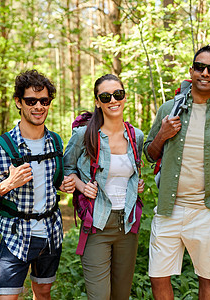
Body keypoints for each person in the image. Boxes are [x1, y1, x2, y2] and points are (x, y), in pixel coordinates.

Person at [144, 45, 210, 299]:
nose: (205, 73)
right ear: (191, 70)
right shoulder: (169, 109)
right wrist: (162, 135)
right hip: (169, 208)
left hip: (208, 209)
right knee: (158, 275)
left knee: (208, 276)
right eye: (200, 67)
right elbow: (149, 153)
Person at [0, 69, 75, 300]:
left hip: (50, 232)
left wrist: (64, 184)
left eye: (44, 101)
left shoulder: (55, 141)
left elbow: (54, 181)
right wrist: (5, 185)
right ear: (19, 102)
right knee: (6, 296)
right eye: (31, 101)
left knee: (43, 292)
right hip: (15, 235)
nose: (38, 106)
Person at [63, 74, 145, 299]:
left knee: (121, 296)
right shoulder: (84, 135)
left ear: (125, 96)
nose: (113, 100)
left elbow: (134, 171)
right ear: (97, 101)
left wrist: (137, 184)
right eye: (105, 96)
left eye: (117, 94)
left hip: (127, 225)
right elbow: (65, 169)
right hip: (97, 225)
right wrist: (80, 185)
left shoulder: (135, 135)